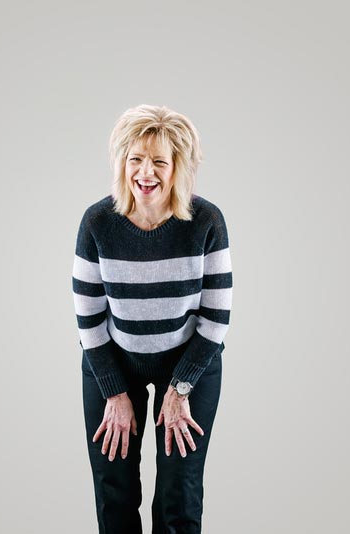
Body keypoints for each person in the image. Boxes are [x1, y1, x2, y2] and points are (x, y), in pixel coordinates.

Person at [72, 104, 233, 534]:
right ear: (122, 163)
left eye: (160, 161)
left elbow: (215, 320)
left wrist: (180, 390)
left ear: (179, 168)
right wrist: (114, 392)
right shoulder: (97, 222)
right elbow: (89, 319)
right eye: (135, 159)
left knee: (179, 496)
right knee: (114, 493)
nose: (146, 173)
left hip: (188, 364)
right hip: (113, 361)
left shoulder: (207, 222)